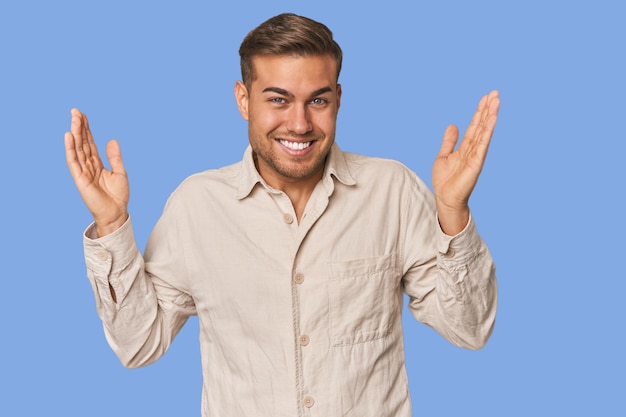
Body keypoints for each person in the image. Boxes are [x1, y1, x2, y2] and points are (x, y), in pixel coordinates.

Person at [65, 12, 499, 417]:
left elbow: (470, 329)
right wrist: (111, 225)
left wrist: (452, 211)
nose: (299, 123)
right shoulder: (196, 205)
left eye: (318, 101)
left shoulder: (392, 191)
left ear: (338, 99)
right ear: (243, 99)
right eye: (278, 99)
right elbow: (138, 344)